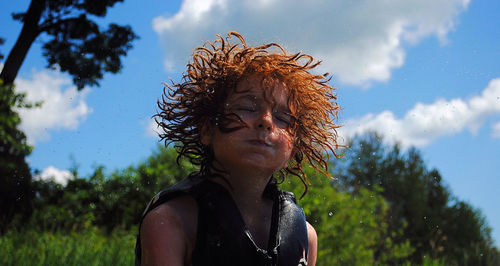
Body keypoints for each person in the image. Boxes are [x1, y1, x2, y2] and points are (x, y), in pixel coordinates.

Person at [135, 31, 340, 266]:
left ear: (293, 150)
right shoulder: (171, 221)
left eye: (283, 118)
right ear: (207, 130)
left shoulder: (305, 237)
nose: (266, 121)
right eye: (247, 107)